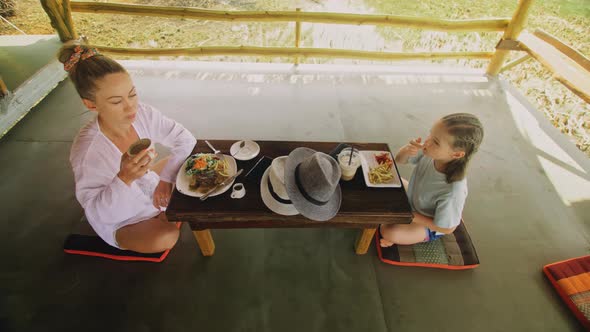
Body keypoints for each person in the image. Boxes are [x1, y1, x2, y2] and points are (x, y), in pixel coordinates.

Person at [61, 41, 196, 253]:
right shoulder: (88, 152)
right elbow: (98, 213)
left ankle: (163, 208)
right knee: (166, 237)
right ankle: (161, 215)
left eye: (132, 94)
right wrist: (124, 178)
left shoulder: (142, 113)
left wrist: (165, 180)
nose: (131, 106)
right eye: (116, 101)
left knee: (189, 164)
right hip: (121, 216)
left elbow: (185, 139)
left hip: (148, 184)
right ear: (91, 104)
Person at [380, 113, 484, 247]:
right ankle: (401, 223)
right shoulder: (431, 152)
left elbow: (448, 228)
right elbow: (399, 160)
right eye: (430, 134)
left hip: (429, 221)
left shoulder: (453, 191)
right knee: (386, 179)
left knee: (389, 232)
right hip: (414, 199)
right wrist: (407, 151)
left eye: (435, 141)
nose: (427, 142)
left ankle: (406, 236)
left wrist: (412, 216)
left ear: (456, 154)